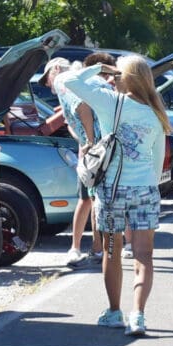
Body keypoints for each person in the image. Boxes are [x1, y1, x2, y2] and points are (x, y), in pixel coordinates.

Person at [59, 55, 172, 337]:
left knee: (112, 250)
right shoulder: (156, 112)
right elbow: (157, 162)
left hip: (112, 188)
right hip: (145, 188)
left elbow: (67, 80)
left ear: (124, 76)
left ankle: (113, 312)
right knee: (144, 256)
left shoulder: (110, 101)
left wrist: (100, 68)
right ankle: (139, 315)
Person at [49, 54, 112, 265]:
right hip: (104, 147)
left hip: (97, 151)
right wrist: (84, 140)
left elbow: (82, 108)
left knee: (92, 199)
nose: (46, 83)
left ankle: (94, 249)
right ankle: (93, 248)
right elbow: (71, 122)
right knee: (92, 199)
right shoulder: (88, 81)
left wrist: (90, 143)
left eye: (46, 76)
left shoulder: (62, 81)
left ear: (55, 70)